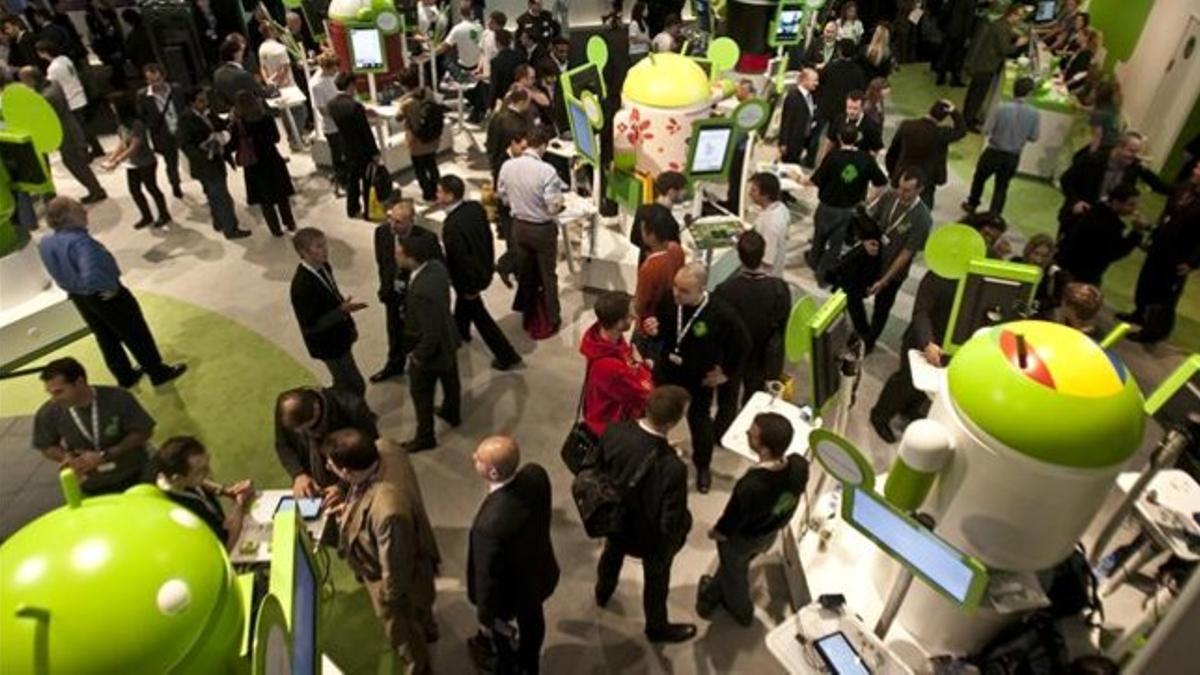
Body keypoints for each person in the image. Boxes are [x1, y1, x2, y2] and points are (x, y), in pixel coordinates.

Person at [37, 198, 187, 388]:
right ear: (68, 217)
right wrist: (110, 288)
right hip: (104, 296)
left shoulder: (46, 243)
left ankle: (125, 376)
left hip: (78, 297)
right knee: (134, 332)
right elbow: (93, 275)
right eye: (79, 210)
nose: (85, 212)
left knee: (105, 336)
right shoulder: (81, 243)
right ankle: (157, 372)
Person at [327, 429, 441, 675]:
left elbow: (396, 567)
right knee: (422, 612)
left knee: (405, 637)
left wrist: (387, 599)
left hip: (397, 581)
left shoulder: (389, 512)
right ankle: (428, 627)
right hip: (416, 559)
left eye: (331, 464)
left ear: (346, 471)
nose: (328, 466)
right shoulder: (385, 447)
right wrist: (349, 513)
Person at [594, 385, 696, 642]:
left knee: (610, 555)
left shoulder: (615, 430)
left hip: (614, 521)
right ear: (672, 423)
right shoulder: (673, 468)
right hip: (647, 538)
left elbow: (600, 469)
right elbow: (670, 521)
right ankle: (656, 627)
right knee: (657, 581)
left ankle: (602, 592)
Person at [646, 265, 751, 492]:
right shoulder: (669, 299)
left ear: (701, 289)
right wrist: (654, 329)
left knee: (700, 423)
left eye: (684, 290)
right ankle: (650, 457)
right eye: (675, 286)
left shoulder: (722, 314)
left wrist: (726, 374)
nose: (676, 293)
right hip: (667, 372)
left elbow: (743, 345)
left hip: (698, 380)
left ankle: (703, 466)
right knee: (656, 417)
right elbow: (663, 327)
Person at [697, 413, 808, 626]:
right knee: (734, 566)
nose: (747, 433)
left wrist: (717, 533)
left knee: (736, 573)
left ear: (764, 448)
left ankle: (741, 611)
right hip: (769, 532)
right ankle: (713, 591)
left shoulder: (752, 486)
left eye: (753, 434)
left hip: (742, 539)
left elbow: (731, 520)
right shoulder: (799, 465)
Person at [467, 436, 560, 673]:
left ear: (494, 473)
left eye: (478, 459)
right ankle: (530, 663)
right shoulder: (536, 475)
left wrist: (486, 615)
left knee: (502, 637)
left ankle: (507, 664)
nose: (473, 458)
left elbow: (486, 577)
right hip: (538, 571)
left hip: (509, 594)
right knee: (533, 620)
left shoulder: (487, 527)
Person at [32, 357, 156, 496]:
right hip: (92, 485)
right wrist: (66, 457)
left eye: (59, 392)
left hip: (135, 475)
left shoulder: (118, 398)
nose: (54, 399)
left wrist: (105, 455)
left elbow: (144, 431)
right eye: (50, 393)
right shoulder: (49, 412)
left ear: (79, 382)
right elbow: (46, 445)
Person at [437, 175, 523, 370]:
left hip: (469, 279)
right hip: (482, 270)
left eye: (440, 192)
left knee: (480, 315)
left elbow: (460, 260)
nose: (436, 195)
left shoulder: (452, 225)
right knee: (465, 305)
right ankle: (460, 332)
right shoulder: (474, 208)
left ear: (450, 196)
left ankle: (506, 354)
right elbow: (487, 239)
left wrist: (469, 286)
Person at [843, 168, 933, 352]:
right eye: (900, 188)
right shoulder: (890, 196)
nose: (901, 193)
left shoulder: (922, 218)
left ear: (920, 190)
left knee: (881, 309)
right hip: (870, 261)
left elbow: (906, 254)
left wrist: (885, 280)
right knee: (852, 294)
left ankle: (869, 342)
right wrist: (865, 240)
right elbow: (870, 220)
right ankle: (863, 331)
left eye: (907, 190)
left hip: (893, 272)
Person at [713, 232, 792, 437]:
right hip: (761, 353)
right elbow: (783, 325)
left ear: (739, 255)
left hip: (732, 355)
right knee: (754, 395)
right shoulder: (779, 289)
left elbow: (717, 327)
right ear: (763, 253)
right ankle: (748, 429)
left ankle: (723, 433)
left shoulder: (725, 290)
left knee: (727, 399)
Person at [869, 268, 958, 443]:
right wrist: (927, 342)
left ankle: (908, 409)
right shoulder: (938, 273)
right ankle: (880, 415)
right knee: (906, 380)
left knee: (928, 383)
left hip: (947, 345)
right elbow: (921, 312)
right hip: (922, 340)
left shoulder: (976, 276)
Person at [498, 125, 568, 333]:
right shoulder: (547, 171)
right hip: (542, 229)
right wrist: (560, 204)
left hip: (519, 226)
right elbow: (553, 205)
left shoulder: (508, 166)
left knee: (526, 272)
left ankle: (528, 314)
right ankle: (552, 318)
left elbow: (502, 196)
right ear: (544, 146)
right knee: (548, 275)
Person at [397, 233, 463, 453]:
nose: (396, 253)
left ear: (411, 257)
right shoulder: (437, 267)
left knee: (421, 393)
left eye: (400, 250)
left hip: (431, 350)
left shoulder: (420, 292)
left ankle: (425, 436)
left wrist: (417, 355)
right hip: (449, 338)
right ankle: (452, 412)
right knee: (450, 378)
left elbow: (430, 333)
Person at [1121, 164, 1200, 344]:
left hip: (1180, 255)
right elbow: (1163, 187)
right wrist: (1143, 170)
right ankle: (1140, 313)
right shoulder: (1186, 186)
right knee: (1147, 282)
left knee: (1164, 295)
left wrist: (1192, 263)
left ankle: (1153, 332)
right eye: (1196, 167)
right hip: (1160, 244)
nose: (1195, 171)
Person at [371, 196, 443, 383]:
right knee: (394, 332)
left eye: (399, 222)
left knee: (418, 334)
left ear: (412, 220)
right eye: (391, 219)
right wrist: (385, 287)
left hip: (415, 298)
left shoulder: (427, 239)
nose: (392, 225)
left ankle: (424, 368)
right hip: (392, 295)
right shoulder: (382, 233)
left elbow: (437, 269)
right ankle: (394, 365)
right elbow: (382, 263)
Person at [807, 125, 889, 284]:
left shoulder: (832, 157)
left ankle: (814, 262)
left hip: (826, 207)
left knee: (819, 238)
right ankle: (823, 275)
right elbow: (881, 183)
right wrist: (867, 201)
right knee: (835, 246)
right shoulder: (866, 159)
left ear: (839, 138)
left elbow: (816, 180)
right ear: (858, 138)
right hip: (848, 210)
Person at [290, 227, 368, 395]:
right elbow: (310, 326)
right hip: (326, 344)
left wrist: (349, 324)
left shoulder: (324, 266)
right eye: (318, 246)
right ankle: (356, 415)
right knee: (352, 384)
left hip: (339, 335)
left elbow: (335, 295)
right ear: (304, 252)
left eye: (325, 244)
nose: (325, 250)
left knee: (348, 382)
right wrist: (341, 312)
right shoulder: (301, 287)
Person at [1057, 132, 1171, 241]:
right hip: (1079, 217)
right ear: (1119, 147)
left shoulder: (1135, 166)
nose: (1134, 156)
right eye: (1131, 151)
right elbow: (1066, 180)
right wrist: (1075, 201)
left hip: (1105, 223)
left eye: (1137, 152)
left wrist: (1185, 189)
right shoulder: (1092, 160)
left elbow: (1157, 185)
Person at [17, 66, 106, 204]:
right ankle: (95, 189)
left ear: (31, 79)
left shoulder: (46, 97)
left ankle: (97, 191)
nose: (24, 84)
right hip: (70, 128)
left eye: (24, 80)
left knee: (76, 164)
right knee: (76, 163)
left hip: (66, 134)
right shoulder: (53, 84)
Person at [275, 386, 379, 498]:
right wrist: (299, 474)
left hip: (349, 481)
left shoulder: (353, 409)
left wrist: (342, 487)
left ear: (316, 410)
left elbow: (370, 456)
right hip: (314, 482)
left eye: (304, 429)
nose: (300, 434)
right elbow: (283, 444)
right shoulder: (286, 409)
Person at [155, 436, 254, 550]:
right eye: (201, 471)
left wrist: (225, 490)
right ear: (177, 478)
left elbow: (199, 482)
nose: (208, 473)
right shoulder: (182, 512)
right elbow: (226, 544)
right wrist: (240, 502)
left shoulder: (168, 477)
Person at [177, 87, 250, 240]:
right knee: (221, 197)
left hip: (216, 160)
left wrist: (229, 121)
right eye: (201, 101)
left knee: (214, 195)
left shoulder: (209, 113)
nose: (205, 103)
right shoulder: (185, 119)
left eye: (206, 99)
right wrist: (204, 150)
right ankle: (231, 229)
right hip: (204, 164)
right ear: (192, 103)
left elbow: (220, 125)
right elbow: (185, 145)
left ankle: (219, 221)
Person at [963, 76, 1040, 216]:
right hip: (1013, 156)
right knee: (1002, 187)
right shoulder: (1034, 114)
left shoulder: (1001, 108)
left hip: (994, 151)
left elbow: (986, 130)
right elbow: (1034, 137)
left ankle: (972, 203)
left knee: (979, 178)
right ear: (1029, 93)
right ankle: (994, 214)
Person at [580, 291, 654, 437]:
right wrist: (642, 366)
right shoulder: (611, 366)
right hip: (610, 427)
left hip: (601, 410)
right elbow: (646, 395)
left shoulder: (603, 339)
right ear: (620, 323)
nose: (635, 317)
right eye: (631, 315)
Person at [99, 95, 172, 229]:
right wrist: (111, 158)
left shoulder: (137, 124)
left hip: (146, 162)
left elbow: (135, 145)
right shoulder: (122, 125)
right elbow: (122, 143)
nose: (112, 109)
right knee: (135, 190)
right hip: (132, 164)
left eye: (113, 106)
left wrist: (117, 161)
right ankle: (146, 215)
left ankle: (164, 214)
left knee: (152, 188)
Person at [229, 91, 297, 236]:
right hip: (272, 160)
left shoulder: (238, 125)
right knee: (281, 196)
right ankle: (289, 223)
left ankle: (276, 230)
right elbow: (276, 138)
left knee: (265, 201)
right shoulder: (266, 118)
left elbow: (233, 146)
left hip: (254, 166)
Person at [1056, 185, 1151, 286]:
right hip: (1080, 275)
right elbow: (1115, 252)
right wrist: (1137, 232)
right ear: (1116, 202)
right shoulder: (1108, 225)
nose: (1134, 209)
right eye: (1130, 205)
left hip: (1067, 265)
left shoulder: (1096, 210)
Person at [885, 99, 966, 208]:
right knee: (922, 211)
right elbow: (961, 131)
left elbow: (893, 152)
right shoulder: (941, 133)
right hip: (927, 181)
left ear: (930, 110)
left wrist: (892, 173)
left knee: (894, 207)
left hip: (903, 176)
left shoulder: (907, 126)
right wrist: (954, 112)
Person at [36, 39, 104, 157]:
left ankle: (91, 150)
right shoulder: (65, 59)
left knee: (79, 129)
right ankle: (96, 148)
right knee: (85, 126)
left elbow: (52, 85)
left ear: (44, 52)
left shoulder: (53, 68)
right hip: (78, 93)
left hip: (71, 99)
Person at [962, 7, 1027, 131]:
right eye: (1019, 16)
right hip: (986, 65)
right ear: (1013, 15)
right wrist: (1018, 44)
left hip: (984, 63)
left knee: (976, 93)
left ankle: (969, 116)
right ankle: (967, 121)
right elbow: (1005, 49)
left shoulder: (1001, 24)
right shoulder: (1002, 27)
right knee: (977, 94)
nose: (1019, 20)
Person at [328, 72, 381, 218]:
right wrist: (375, 152)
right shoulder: (355, 106)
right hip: (362, 150)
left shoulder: (331, 104)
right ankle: (368, 212)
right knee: (367, 181)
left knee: (352, 181)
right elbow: (365, 132)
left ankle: (352, 209)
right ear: (351, 85)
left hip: (345, 147)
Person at [137, 63, 185, 199]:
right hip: (163, 134)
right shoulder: (143, 95)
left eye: (157, 80)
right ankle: (175, 184)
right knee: (171, 163)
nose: (154, 84)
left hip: (182, 129)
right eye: (150, 81)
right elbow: (142, 116)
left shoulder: (176, 89)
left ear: (164, 77)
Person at [398, 69, 445, 203]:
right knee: (432, 165)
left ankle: (428, 194)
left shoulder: (407, 103)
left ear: (404, 85)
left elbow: (398, 118)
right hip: (432, 138)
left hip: (416, 142)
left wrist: (402, 100)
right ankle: (436, 190)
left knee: (420, 170)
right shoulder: (429, 92)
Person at [814, 39, 867, 142]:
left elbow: (819, 83)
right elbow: (861, 92)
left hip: (826, 108)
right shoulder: (858, 72)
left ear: (839, 51)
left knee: (817, 136)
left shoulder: (830, 67)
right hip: (844, 111)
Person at [440, 5, 487, 122]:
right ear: (472, 13)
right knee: (477, 90)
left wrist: (432, 51)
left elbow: (445, 46)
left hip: (464, 65)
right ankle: (477, 109)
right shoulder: (479, 27)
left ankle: (476, 111)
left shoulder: (457, 29)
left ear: (461, 14)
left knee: (465, 87)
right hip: (478, 64)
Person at [630, 171, 685, 265]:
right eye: (682, 189)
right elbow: (675, 253)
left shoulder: (642, 210)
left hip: (644, 267)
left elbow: (634, 239)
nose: (684, 193)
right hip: (663, 272)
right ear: (671, 192)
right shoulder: (670, 222)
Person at [311, 52, 346, 194]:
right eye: (334, 69)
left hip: (340, 123)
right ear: (327, 68)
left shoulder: (330, 77)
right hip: (331, 127)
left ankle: (344, 178)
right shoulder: (316, 85)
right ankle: (340, 183)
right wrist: (341, 112)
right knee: (338, 157)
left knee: (345, 153)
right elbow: (322, 110)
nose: (336, 72)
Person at [746, 173, 791, 278]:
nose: (749, 193)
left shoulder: (771, 224)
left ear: (765, 195)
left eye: (753, 190)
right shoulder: (781, 208)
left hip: (763, 276)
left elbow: (767, 260)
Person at [821, 89, 883, 163]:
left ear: (862, 107)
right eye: (849, 108)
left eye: (855, 109)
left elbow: (877, 148)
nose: (851, 112)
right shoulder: (839, 120)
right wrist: (823, 161)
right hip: (838, 162)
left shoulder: (870, 125)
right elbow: (830, 142)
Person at [212, 35, 265, 114]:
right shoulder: (243, 75)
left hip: (236, 116)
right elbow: (261, 93)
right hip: (254, 116)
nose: (243, 53)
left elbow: (221, 97)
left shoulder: (217, 74)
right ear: (235, 54)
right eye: (241, 50)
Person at [779, 68, 820, 167]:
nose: (817, 83)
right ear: (804, 80)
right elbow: (786, 120)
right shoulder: (793, 97)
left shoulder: (810, 96)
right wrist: (783, 142)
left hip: (802, 141)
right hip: (792, 142)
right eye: (814, 80)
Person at [932, 0, 974, 87]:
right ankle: (955, 79)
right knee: (958, 57)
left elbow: (945, 10)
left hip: (950, 29)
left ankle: (941, 77)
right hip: (961, 32)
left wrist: (942, 26)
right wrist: (968, 35)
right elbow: (969, 19)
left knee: (945, 54)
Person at [489, 30, 526, 112]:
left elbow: (495, 85)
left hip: (505, 97)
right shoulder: (520, 56)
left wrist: (491, 104)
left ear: (497, 43)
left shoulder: (496, 61)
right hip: (521, 93)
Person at [1087, 80, 1122, 154]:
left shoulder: (1098, 115)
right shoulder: (1111, 107)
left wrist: (1090, 154)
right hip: (1115, 144)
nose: (1091, 93)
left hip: (1105, 147)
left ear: (1097, 95)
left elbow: (1097, 137)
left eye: (1093, 91)